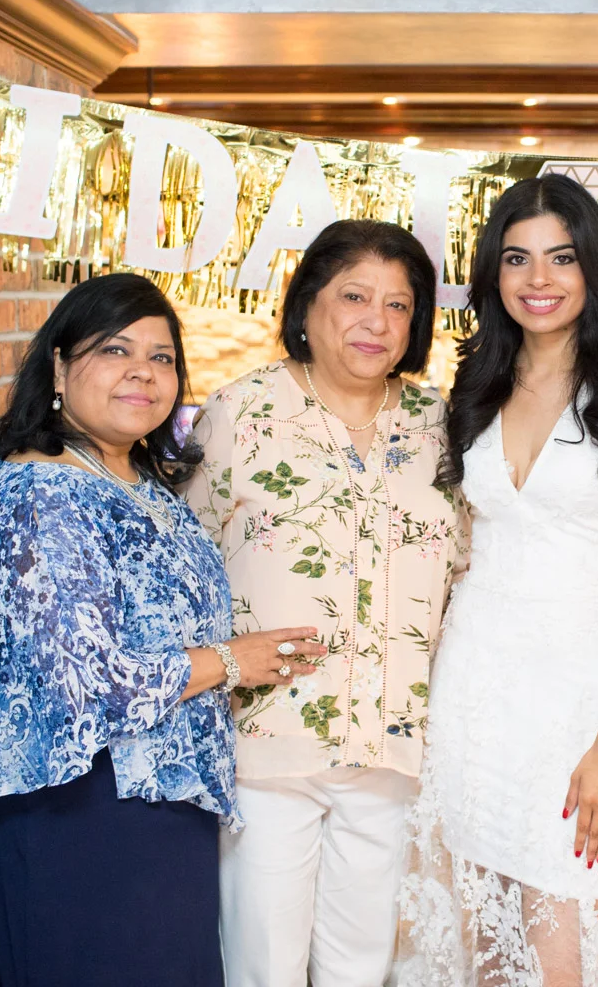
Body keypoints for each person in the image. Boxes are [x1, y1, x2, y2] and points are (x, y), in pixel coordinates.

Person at [0, 273, 323, 987]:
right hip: (76, 812)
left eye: (161, 357)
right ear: (59, 367)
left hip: (152, 808)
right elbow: (88, 681)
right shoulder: (42, 490)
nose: (143, 372)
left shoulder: (141, 484)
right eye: (115, 350)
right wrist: (231, 662)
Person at [397, 174, 598, 986]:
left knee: (565, 941)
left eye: (562, 257)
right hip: (474, 684)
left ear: (594, 267)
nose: (539, 278)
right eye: (517, 258)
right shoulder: (474, 385)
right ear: (494, 273)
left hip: (579, 688)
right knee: (485, 939)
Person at [184, 218, 466, 987]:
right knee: (263, 969)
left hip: (395, 748)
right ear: (308, 303)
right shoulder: (241, 412)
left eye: (399, 305)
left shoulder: (440, 425)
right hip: (268, 747)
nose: (377, 321)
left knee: (362, 970)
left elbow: (467, 565)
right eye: (354, 297)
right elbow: (187, 563)